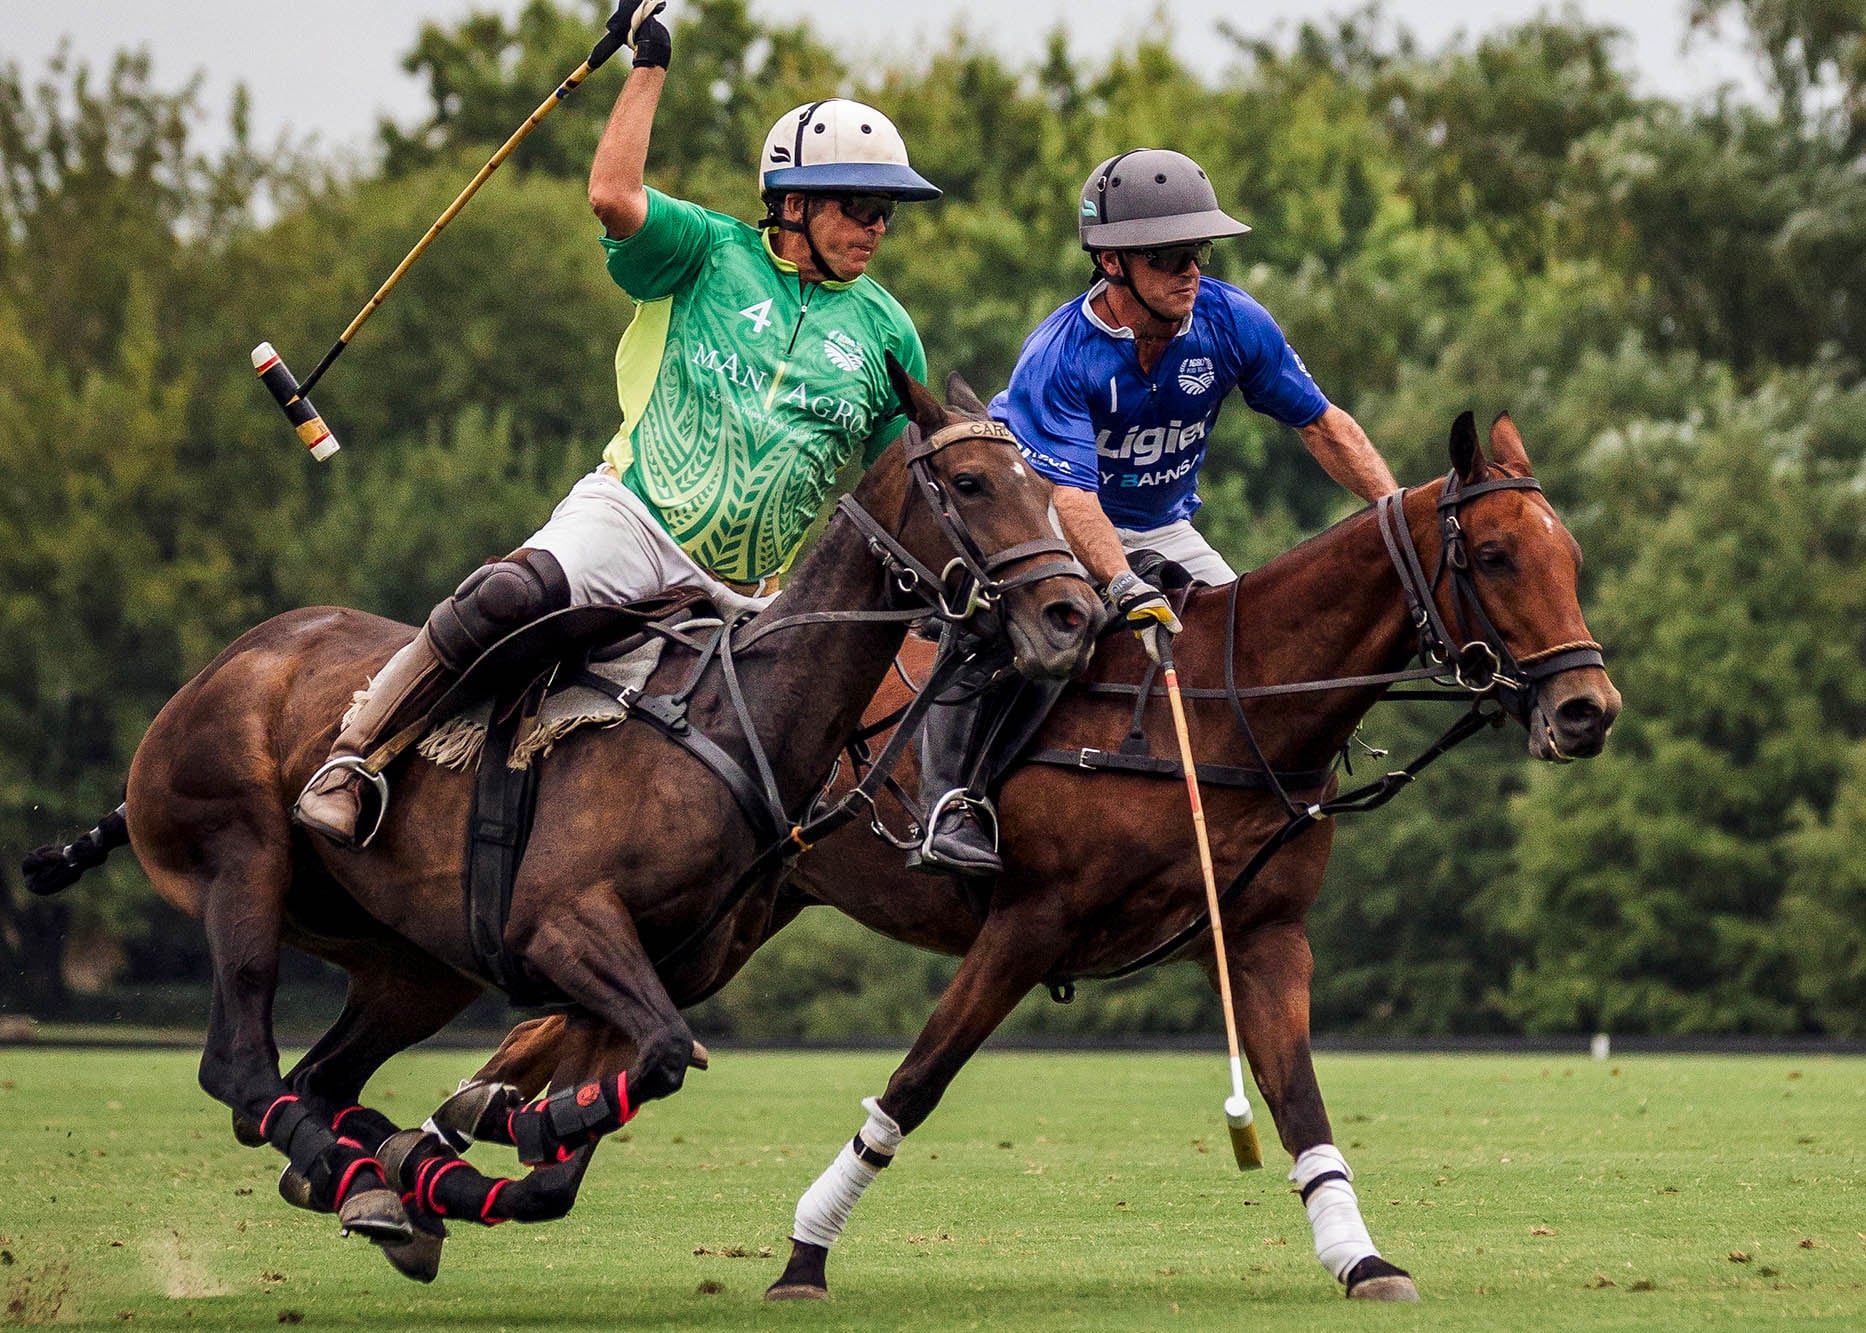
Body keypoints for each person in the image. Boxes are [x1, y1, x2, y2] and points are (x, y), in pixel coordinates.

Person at [295, 0, 942, 848]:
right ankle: (356, 755)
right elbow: (611, 194)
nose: (880, 227)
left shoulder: (888, 330)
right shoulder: (710, 251)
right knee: (508, 592)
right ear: (799, 200)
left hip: (751, 598)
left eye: (887, 212)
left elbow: (907, 479)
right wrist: (650, 68)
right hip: (635, 521)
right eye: (864, 207)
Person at [909, 148, 1398, 876]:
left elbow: (1322, 424)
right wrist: (1122, 583)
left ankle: (1257, 811)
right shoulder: (1060, 354)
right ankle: (951, 801)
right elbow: (1072, 497)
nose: (1191, 271)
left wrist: (1396, 517)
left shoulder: (1231, 322)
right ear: (1112, 263)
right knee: (1042, 637)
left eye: (1197, 251)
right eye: (1169, 256)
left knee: (1248, 645)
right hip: (1041, 512)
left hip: (1164, 519)